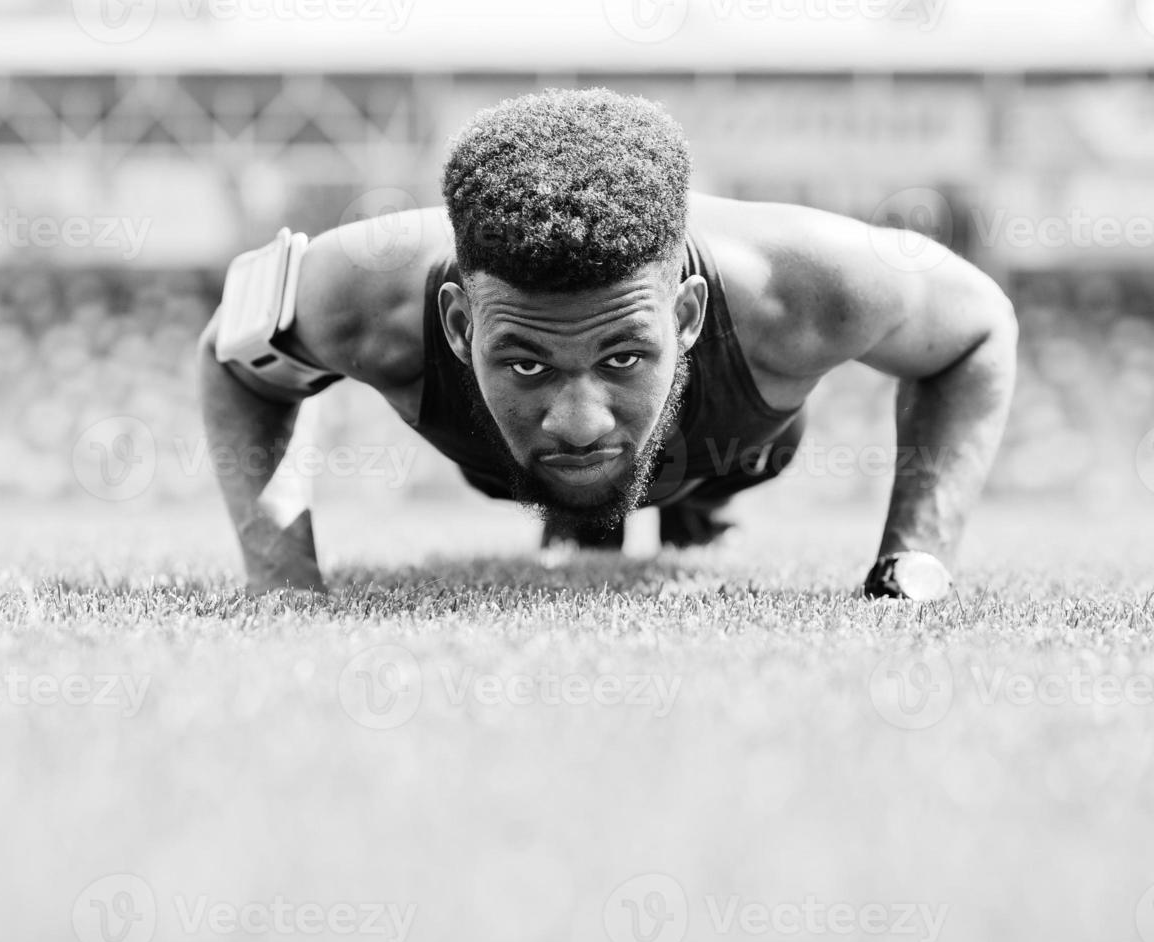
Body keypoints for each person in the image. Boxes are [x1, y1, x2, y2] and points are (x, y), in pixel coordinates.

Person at [198, 88, 1017, 600]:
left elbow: (978, 330)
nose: (580, 418)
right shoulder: (360, 293)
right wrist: (284, 580)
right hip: (498, 469)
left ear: (688, 315)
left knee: (724, 468)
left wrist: (913, 562)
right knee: (561, 478)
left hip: (729, 449)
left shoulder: (815, 284)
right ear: (456, 324)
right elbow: (232, 363)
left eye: (623, 356)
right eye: (525, 362)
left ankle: (683, 510)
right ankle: (584, 517)